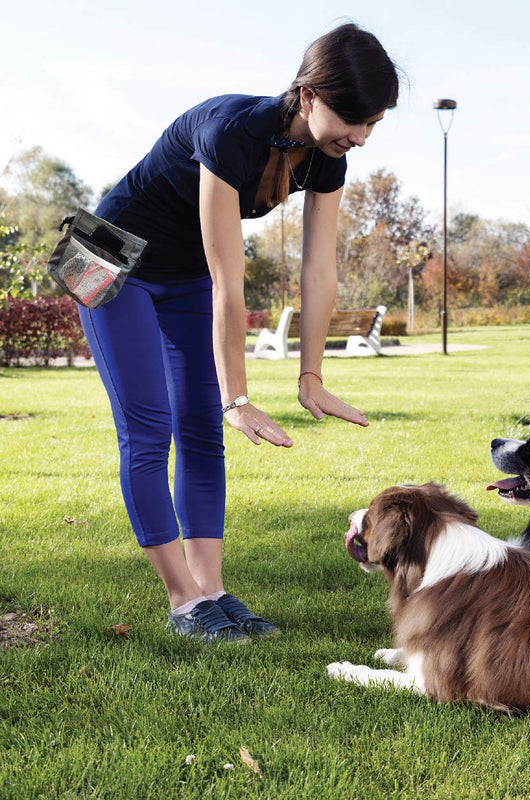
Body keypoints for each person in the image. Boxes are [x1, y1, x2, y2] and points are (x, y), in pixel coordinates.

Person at [78, 23, 400, 643]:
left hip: (183, 274)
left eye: (372, 125)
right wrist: (239, 397)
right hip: (112, 263)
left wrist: (313, 377)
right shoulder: (232, 130)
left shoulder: (325, 158)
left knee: (202, 432)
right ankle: (183, 601)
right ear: (308, 95)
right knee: (150, 428)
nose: (360, 137)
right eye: (352, 120)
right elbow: (231, 278)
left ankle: (213, 593)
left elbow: (318, 268)